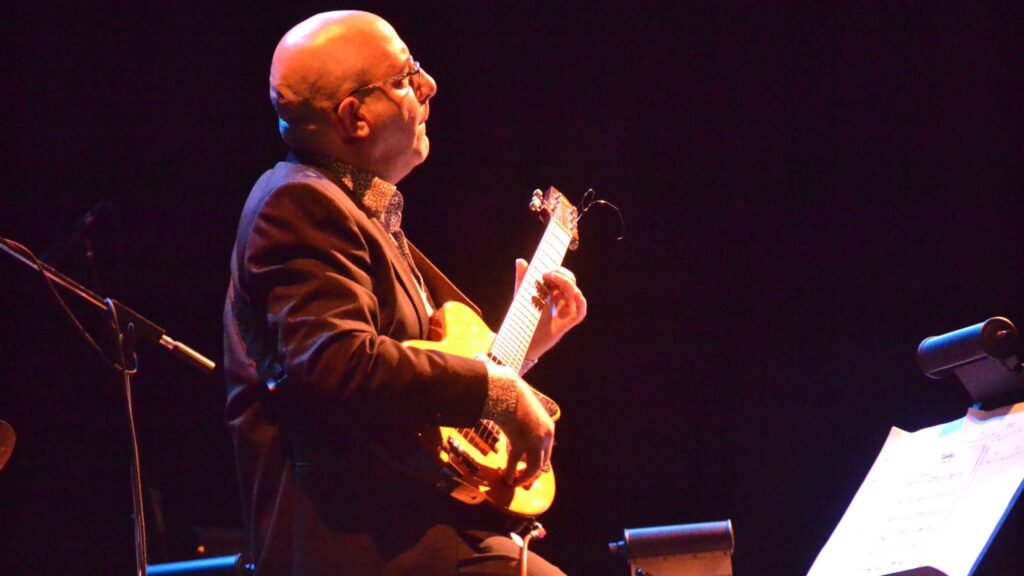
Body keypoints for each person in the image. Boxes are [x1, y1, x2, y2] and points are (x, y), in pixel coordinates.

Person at [223, 10, 587, 576]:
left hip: (414, 530)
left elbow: (409, 383)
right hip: (364, 547)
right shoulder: (297, 205)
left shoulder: (354, 210)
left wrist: (524, 350)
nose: (429, 85)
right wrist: (501, 392)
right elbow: (338, 361)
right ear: (355, 117)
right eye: (405, 75)